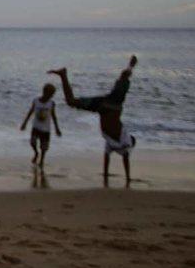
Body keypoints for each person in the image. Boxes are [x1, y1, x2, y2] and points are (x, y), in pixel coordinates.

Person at [48, 55, 138, 185]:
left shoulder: (110, 143)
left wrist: (106, 176)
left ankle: (63, 75)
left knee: (71, 102)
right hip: (113, 103)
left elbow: (106, 159)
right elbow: (125, 160)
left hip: (102, 105)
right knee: (124, 77)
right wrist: (128, 178)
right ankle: (131, 65)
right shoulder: (126, 144)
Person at [20, 83, 60, 169]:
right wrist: (24, 123)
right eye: (50, 94)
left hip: (46, 129)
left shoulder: (51, 103)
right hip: (36, 126)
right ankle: (36, 153)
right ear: (44, 92)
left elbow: (54, 116)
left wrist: (57, 128)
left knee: (44, 147)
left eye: (52, 94)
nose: (51, 96)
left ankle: (42, 159)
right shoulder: (36, 101)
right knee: (33, 142)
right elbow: (30, 112)